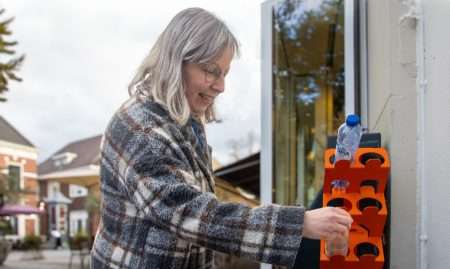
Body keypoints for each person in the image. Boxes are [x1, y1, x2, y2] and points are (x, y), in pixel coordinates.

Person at [90, 7, 352, 269]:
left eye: (224, 73)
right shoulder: (143, 131)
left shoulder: (182, 120)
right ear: (175, 62)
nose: (221, 86)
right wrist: (299, 224)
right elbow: (189, 213)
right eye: (211, 71)